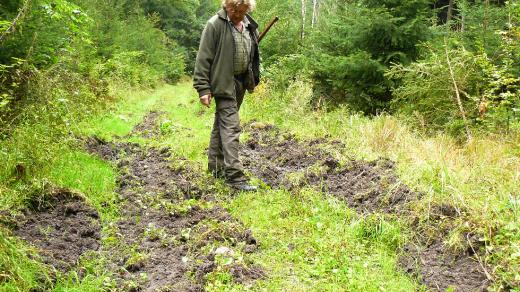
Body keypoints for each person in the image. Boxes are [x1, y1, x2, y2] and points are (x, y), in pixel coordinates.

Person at [193, 0, 260, 191]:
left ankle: (215, 168)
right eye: (233, 10)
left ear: (247, 9)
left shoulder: (249, 25)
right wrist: (203, 88)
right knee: (231, 127)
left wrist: (253, 75)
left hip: (241, 82)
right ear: (226, 6)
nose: (237, 14)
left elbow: (252, 54)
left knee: (221, 124)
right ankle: (235, 177)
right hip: (223, 83)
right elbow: (203, 58)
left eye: (241, 11)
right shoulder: (214, 25)